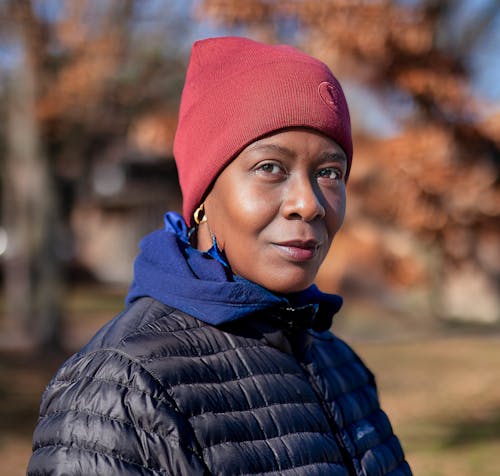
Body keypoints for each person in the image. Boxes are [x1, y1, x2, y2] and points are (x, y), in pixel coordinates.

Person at [28, 36, 412, 475]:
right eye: (271, 167)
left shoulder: (341, 367)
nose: (309, 204)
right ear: (204, 196)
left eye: (329, 172)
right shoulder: (122, 390)